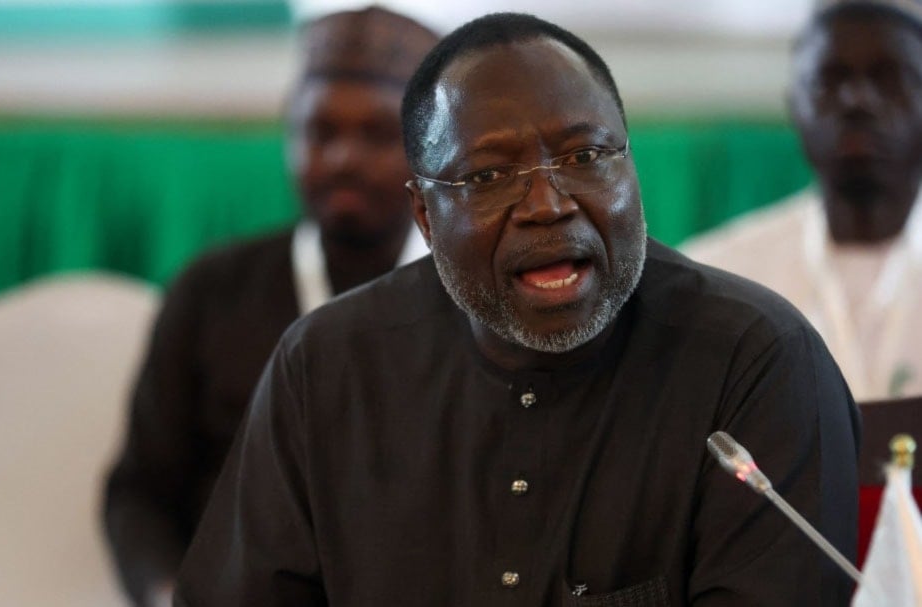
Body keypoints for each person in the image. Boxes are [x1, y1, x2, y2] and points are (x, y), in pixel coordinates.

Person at [174, 12, 860, 606]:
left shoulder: (755, 364)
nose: (547, 204)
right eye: (487, 176)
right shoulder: (324, 367)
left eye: (585, 154)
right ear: (423, 213)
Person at [102, 8, 439, 607]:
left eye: (376, 134)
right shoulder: (212, 290)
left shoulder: (470, 295)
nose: (341, 159)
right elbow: (139, 492)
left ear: (430, 149)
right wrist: (164, 593)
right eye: (320, 131)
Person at [682, 0, 922, 401]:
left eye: (889, 78)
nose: (857, 100)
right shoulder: (718, 282)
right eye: (830, 79)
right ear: (795, 106)